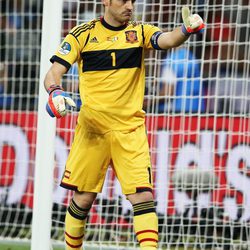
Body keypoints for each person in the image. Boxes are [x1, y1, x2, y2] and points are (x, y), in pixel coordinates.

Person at [44, 1, 204, 249]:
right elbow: (53, 73)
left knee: (143, 197)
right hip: (92, 129)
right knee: (83, 199)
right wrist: (55, 92)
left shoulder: (140, 32)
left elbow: (168, 40)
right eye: (122, 0)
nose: (130, 6)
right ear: (106, 1)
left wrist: (185, 30)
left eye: (132, 0)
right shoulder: (81, 35)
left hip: (130, 130)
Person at [159, 47, 206, 113]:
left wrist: (148, 101)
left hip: (176, 113)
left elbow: (168, 92)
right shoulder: (191, 57)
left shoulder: (171, 60)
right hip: (197, 109)